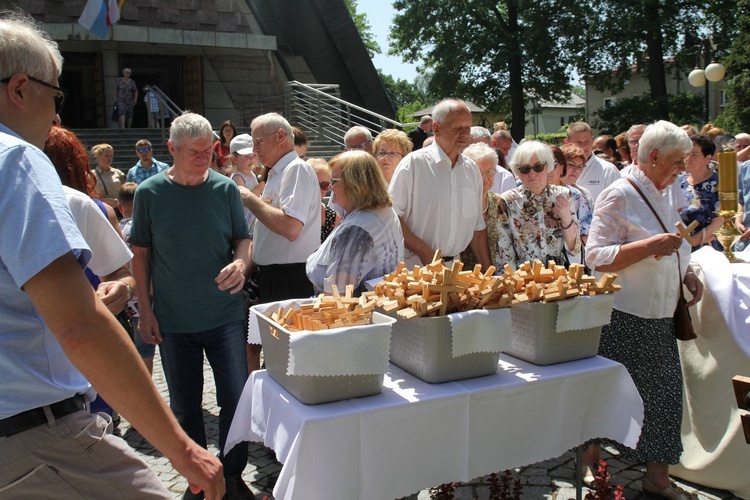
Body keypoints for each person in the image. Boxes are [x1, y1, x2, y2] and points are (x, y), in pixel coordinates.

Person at [0, 11, 224, 499]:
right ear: (19, 89)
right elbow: (79, 327)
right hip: (35, 435)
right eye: (55, 95)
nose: (57, 115)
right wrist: (185, 451)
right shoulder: (15, 158)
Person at [130, 112, 254, 499]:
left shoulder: (225, 190)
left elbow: (243, 240)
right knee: (184, 404)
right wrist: (145, 311)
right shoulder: (148, 193)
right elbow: (141, 255)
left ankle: (231, 473)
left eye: (209, 150)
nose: (205, 158)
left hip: (226, 315)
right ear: (171, 149)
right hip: (174, 320)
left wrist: (240, 262)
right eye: (194, 152)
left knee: (235, 397)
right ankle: (198, 476)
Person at [585, 120, 703, 499]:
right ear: (654, 156)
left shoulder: (671, 191)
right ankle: (590, 465)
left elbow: (679, 243)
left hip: (660, 316)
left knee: (666, 400)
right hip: (622, 315)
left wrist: (690, 273)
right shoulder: (619, 194)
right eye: (677, 161)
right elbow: (596, 258)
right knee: (606, 394)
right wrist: (649, 247)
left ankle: (657, 478)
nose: (683, 168)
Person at [238, 112, 320, 372]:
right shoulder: (277, 173)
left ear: (281, 137)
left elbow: (290, 228)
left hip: (291, 279)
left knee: (288, 360)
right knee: (277, 359)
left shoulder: (296, 170)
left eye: (258, 141)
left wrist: (250, 199)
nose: (254, 149)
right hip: (275, 279)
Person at [388, 98, 491, 268]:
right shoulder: (414, 164)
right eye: (457, 128)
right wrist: (423, 251)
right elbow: (391, 218)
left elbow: (477, 227)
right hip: (415, 268)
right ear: (436, 128)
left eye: (467, 127)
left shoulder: (472, 170)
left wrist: (491, 274)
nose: (465, 134)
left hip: (454, 269)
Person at [306, 151, 404, 294]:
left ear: (354, 184)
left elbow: (337, 296)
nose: (330, 188)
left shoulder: (356, 230)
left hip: (352, 313)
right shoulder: (381, 210)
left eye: (334, 181)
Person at [493, 140, 580, 270]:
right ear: (517, 171)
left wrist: (566, 218)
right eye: (525, 169)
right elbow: (503, 251)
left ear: (548, 167)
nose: (532, 174)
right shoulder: (507, 201)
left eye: (538, 167)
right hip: (524, 279)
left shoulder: (564, 195)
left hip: (559, 277)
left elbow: (574, 247)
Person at [117, 181, 154, 374]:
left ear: (120, 206)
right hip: (146, 297)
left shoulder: (115, 231)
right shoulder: (145, 229)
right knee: (146, 350)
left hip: (123, 299)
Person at [459, 143, 504, 269]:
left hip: (496, 277)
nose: (484, 178)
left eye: (489, 171)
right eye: (478, 172)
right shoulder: (456, 204)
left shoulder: (500, 203)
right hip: (463, 277)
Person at [678, 134, 723, 251]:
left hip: (706, 250)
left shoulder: (720, 185)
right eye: (687, 154)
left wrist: (691, 242)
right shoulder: (678, 182)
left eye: (694, 155)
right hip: (676, 247)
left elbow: (720, 222)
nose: (688, 158)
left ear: (708, 158)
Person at [564, 122, 621, 205]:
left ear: (592, 140)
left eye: (587, 141)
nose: (584, 146)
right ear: (566, 142)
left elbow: (617, 205)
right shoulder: (557, 169)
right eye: (578, 142)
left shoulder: (608, 171)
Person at [549, 145, 592, 245]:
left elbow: (586, 234)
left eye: (580, 166)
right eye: (571, 164)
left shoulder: (577, 195)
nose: (576, 170)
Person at [228, 133, 261, 234]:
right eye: (246, 156)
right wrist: (260, 188)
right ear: (234, 159)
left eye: (254, 155)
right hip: (246, 218)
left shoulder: (250, 173)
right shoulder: (238, 177)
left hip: (255, 213)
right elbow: (243, 199)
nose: (252, 159)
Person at [307, 157, 342, 242]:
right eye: (312, 184)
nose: (317, 190)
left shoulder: (333, 218)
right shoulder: (286, 211)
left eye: (324, 185)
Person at [91, 142, 125, 209]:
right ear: (98, 156)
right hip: (101, 208)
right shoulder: (91, 175)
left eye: (111, 155)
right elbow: (90, 195)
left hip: (119, 209)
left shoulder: (119, 173)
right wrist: (106, 200)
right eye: (106, 155)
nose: (109, 158)